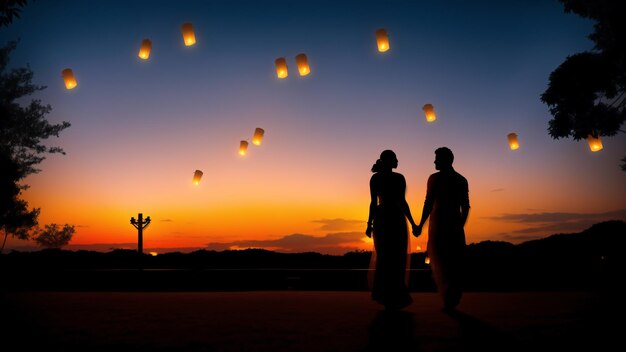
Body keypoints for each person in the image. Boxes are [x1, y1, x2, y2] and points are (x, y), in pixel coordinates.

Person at [414, 147, 470, 313]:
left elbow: (428, 204)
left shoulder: (434, 178)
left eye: (437, 159)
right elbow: (465, 206)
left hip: (439, 223)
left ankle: (449, 298)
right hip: (453, 223)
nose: (434, 162)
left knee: (443, 260)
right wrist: (460, 225)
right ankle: (451, 298)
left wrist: (420, 225)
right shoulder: (461, 179)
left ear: (446, 160)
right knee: (451, 261)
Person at [366, 150, 419, 310]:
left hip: (383, 218)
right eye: (395, 158)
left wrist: (369, 224)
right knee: (394, 257)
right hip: (394, 218)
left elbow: (373, 203)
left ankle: (388, 294)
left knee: (388, 257)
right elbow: (402, 202)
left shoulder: (376, 178)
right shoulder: (398, 178)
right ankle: (392, 294)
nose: (397, 161)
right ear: (389, 161)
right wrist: (413, 223)